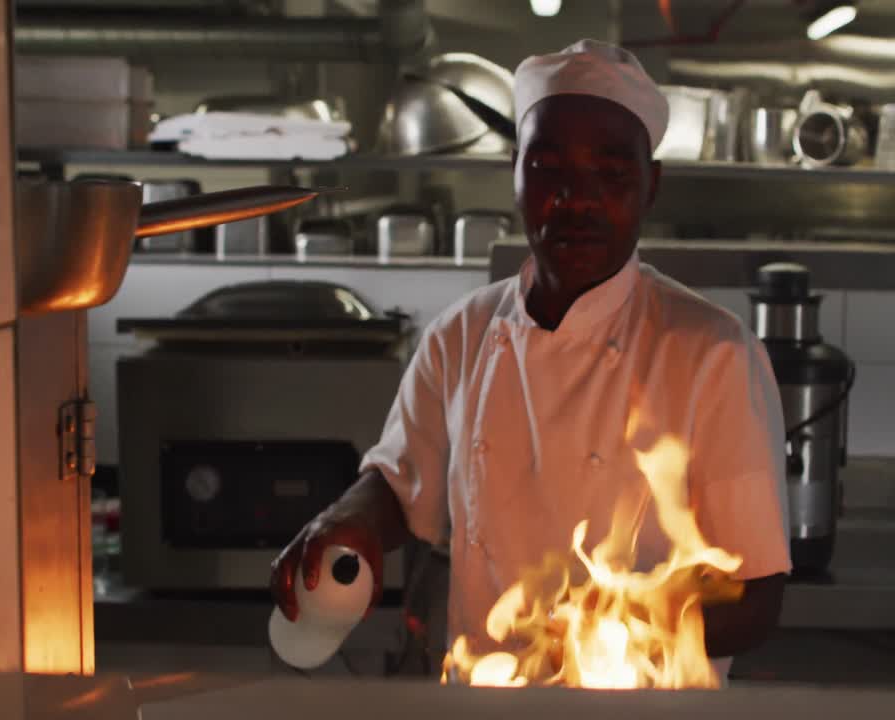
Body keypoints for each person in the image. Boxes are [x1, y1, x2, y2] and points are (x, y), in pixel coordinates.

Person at [271, 38, 791, 681]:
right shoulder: (459, 336)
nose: (579, 199)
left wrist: (610, 621)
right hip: (482, 696)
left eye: (611, 174)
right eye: (549, 169)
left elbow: (759, 601)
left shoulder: (714, 355)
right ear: (514, 173)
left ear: (650, 185)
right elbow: (403, 486)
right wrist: (348, 518)